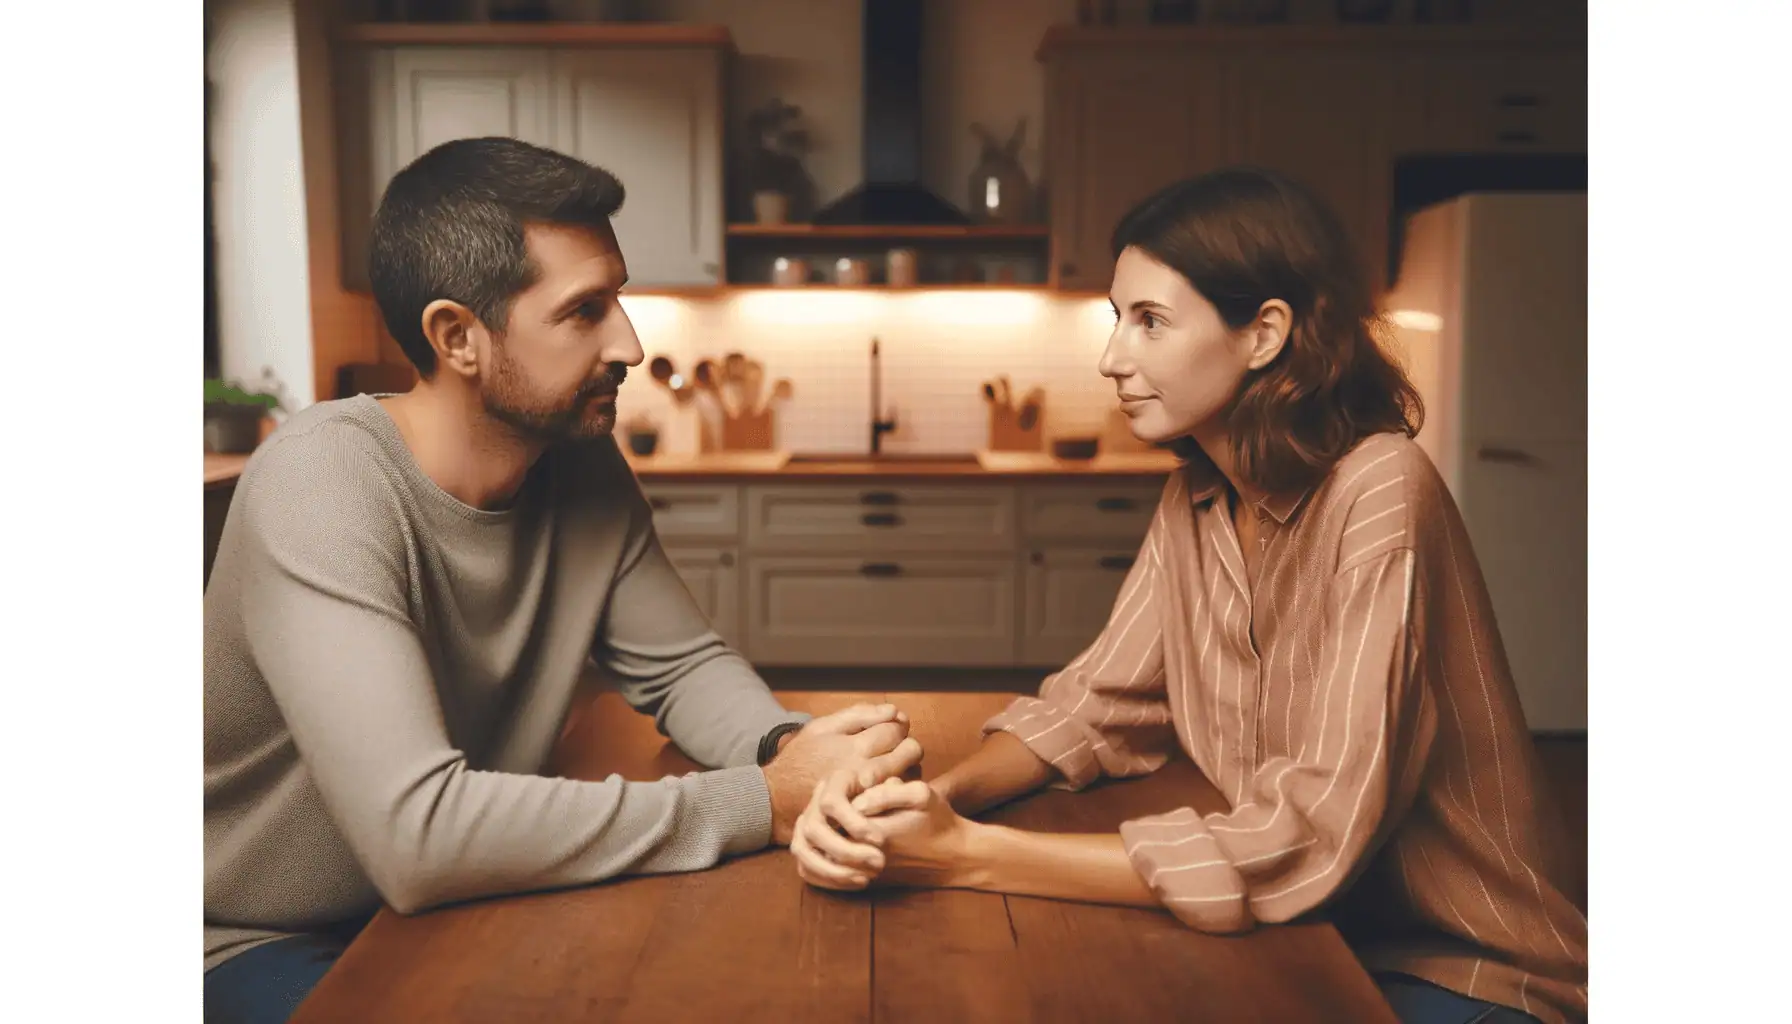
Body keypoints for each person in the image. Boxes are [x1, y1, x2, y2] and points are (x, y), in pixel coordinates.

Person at [791, 167, 1588, 1024]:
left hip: (1460, 966)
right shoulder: (1202, 493)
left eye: (1151, 323)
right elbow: (1098, 708)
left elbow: (1309, 833)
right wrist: (940, 798)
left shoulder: (1382, 488)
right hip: (1312, 928)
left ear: (1264, 335)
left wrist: (969, 857)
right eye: (1117, 318)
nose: (1111, 358)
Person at [202, 137, 922, 1023]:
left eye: (618, 296)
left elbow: (681, 667)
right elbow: (416, 836)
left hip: (467, 894)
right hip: (259, 937)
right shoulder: (322, 484)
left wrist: (796, 750)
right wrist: (764, 801)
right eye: (585, 311)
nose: (630, 341)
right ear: (456, 337)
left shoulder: (575, 458)